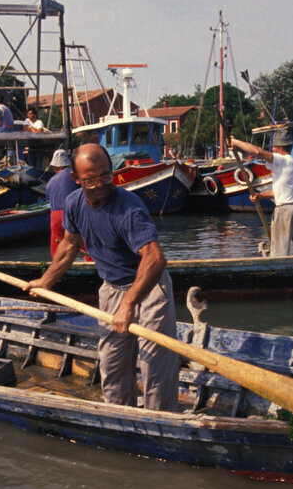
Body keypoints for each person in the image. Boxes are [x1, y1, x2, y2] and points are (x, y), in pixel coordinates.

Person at [23, 143, 179, 412]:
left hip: (150, 288)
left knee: (155, 366)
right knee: (112, 365)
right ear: (76, 179)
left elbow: (154, 259)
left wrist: (129, 304)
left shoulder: (129, 208)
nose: (99, 184)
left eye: (105, 176)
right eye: (90, 179)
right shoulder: (73, 204)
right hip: (112, 289)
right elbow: (70, 246)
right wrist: (46, 280)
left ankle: (161, 421)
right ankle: (120, 417)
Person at [229, 131, 293, 257]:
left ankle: (277, 273)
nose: (272, 150)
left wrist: (235, 142)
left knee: (279, 253)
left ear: (281, 148)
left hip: (285, 211)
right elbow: (283, 192)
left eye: (274, 148)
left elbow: (258, 152)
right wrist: (261, 196)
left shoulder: (282, 160)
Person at [43, 148, 78, 257]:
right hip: (71, 211)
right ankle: (88, 259)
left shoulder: (50, 182)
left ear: (55, 167)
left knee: (56, 240)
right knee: (80, 237)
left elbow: (48, 199)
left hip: (55, 215)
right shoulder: (74, 174)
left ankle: (56, 262)